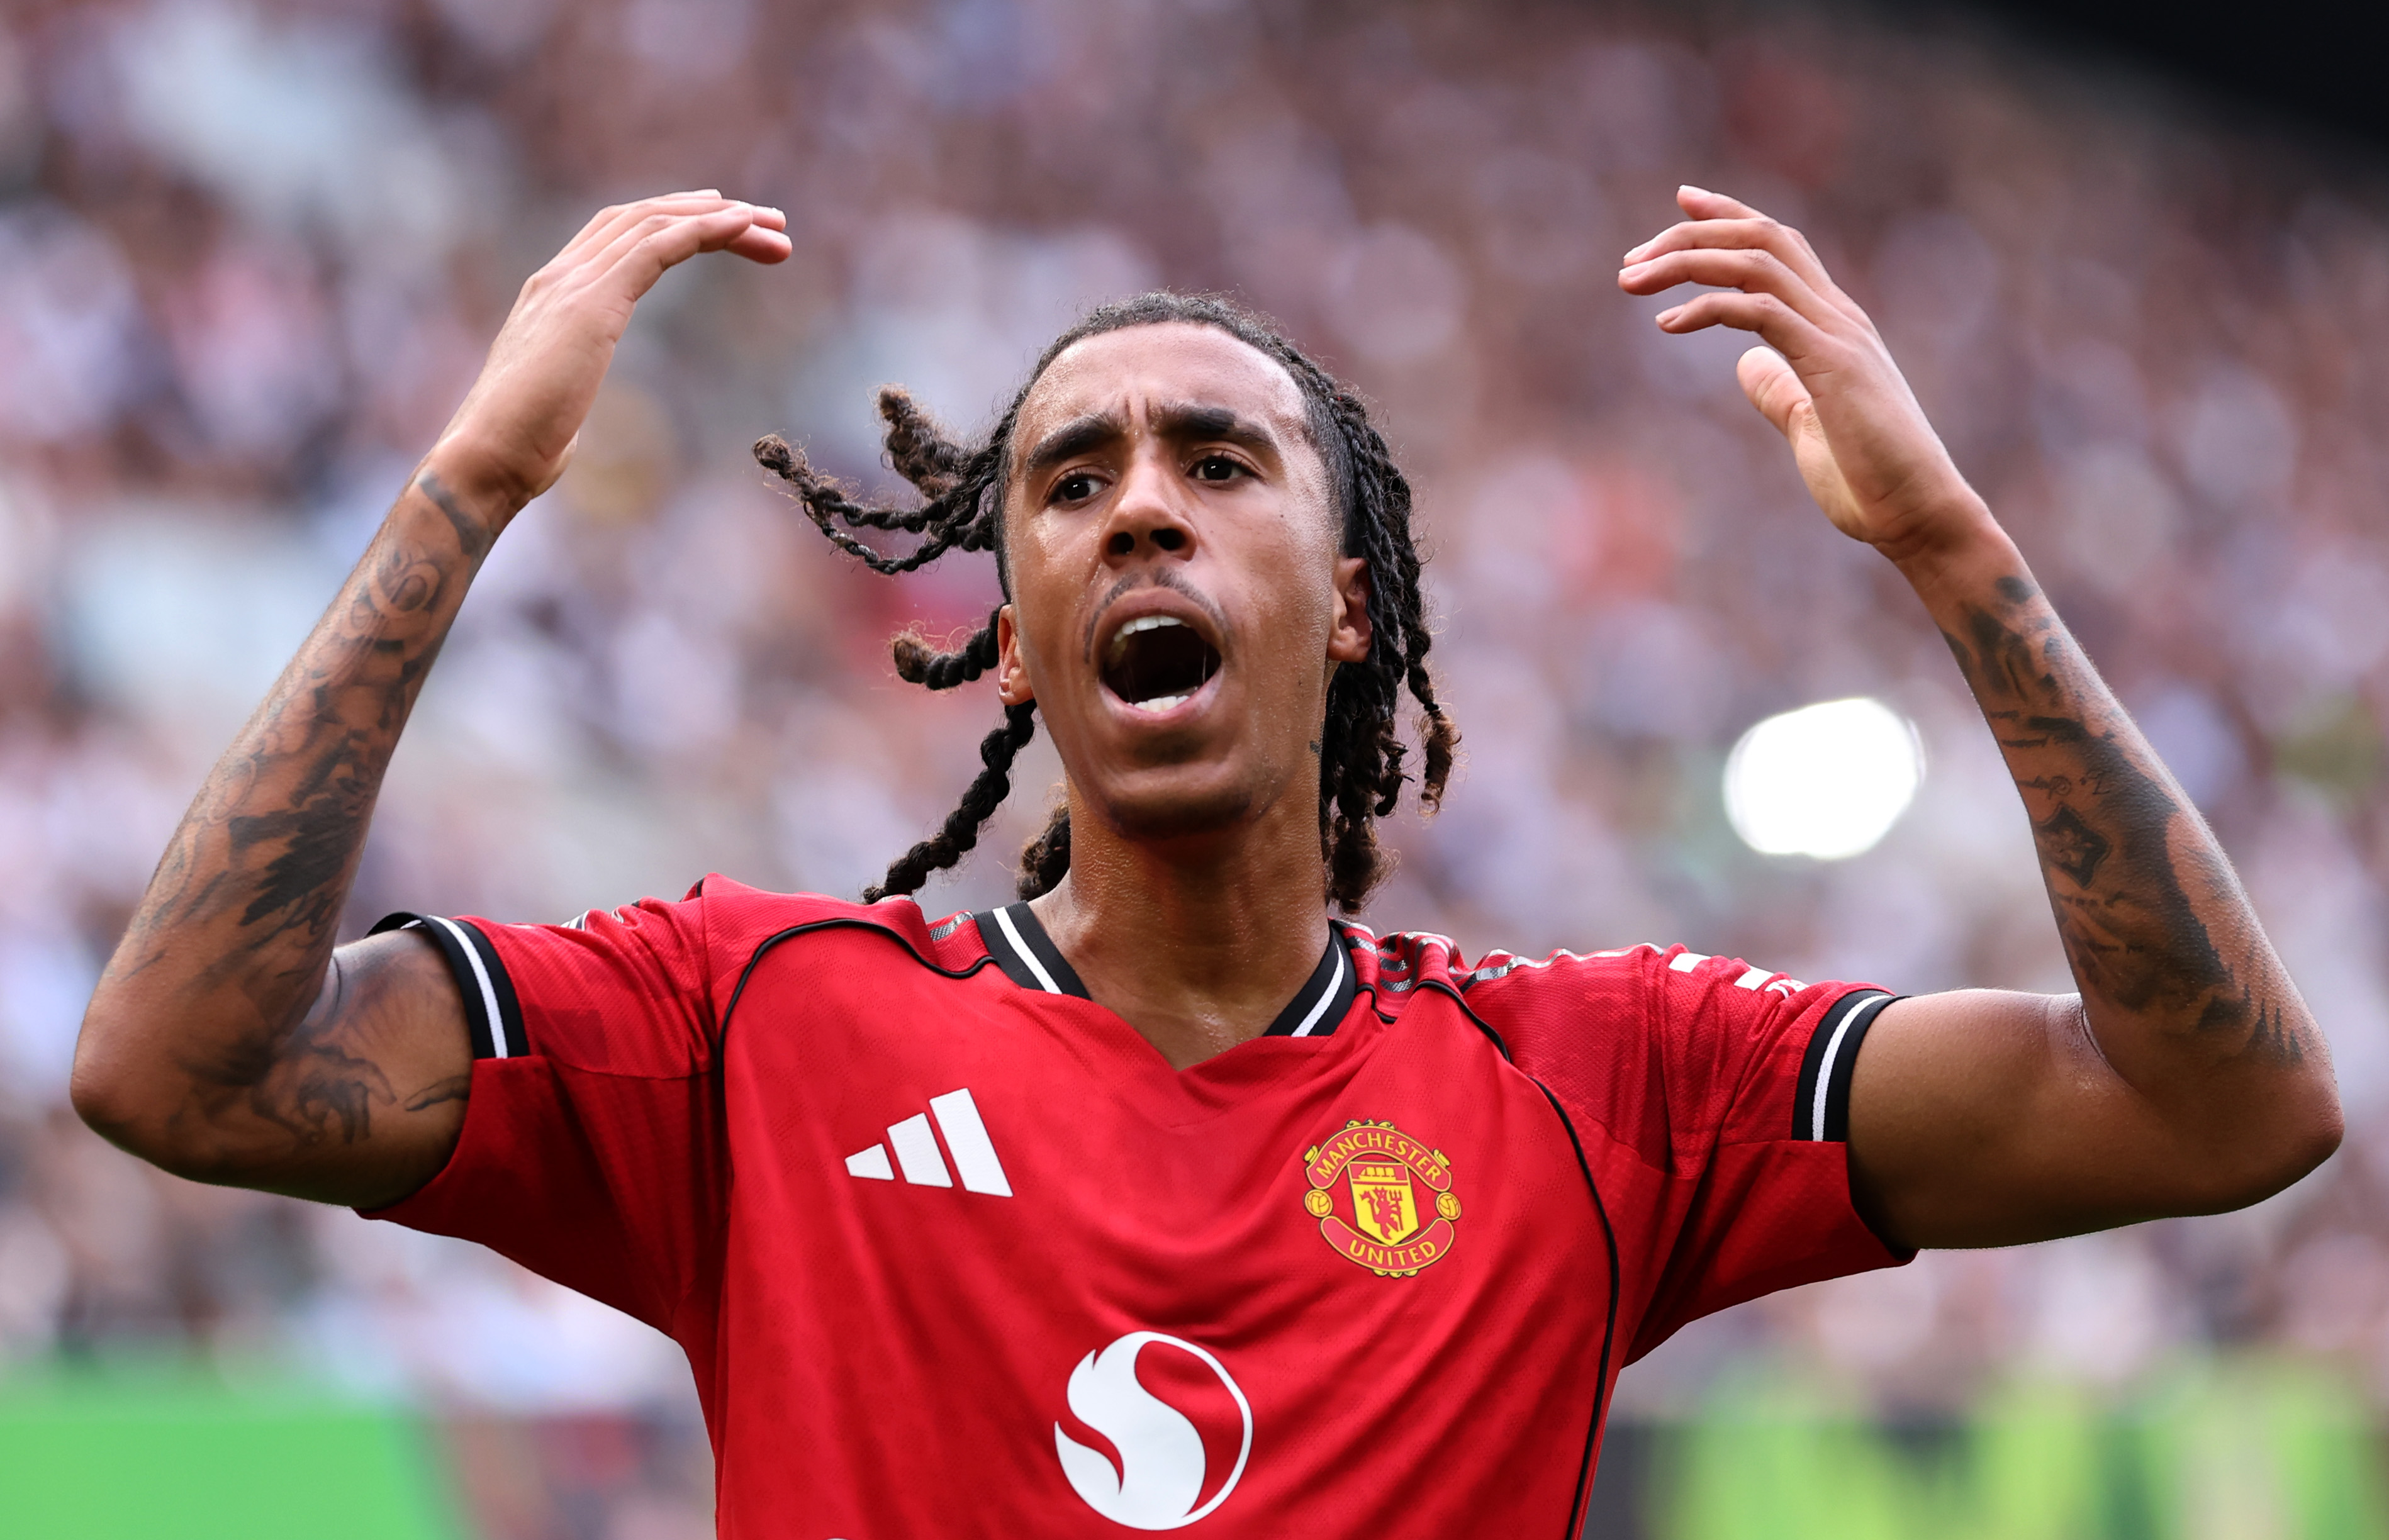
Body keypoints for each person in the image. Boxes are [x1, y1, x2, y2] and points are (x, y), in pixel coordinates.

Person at [72, 186, 2339, 1537]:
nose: (1137, 498)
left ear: (1350, 597)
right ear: (1021, 638)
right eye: (1067, 484)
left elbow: (2223, 1106)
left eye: (1216, 458)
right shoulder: (755, 1025)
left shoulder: (1602, 1086)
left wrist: (1948, 549)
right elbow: (180, 1069)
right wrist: (463, 490)